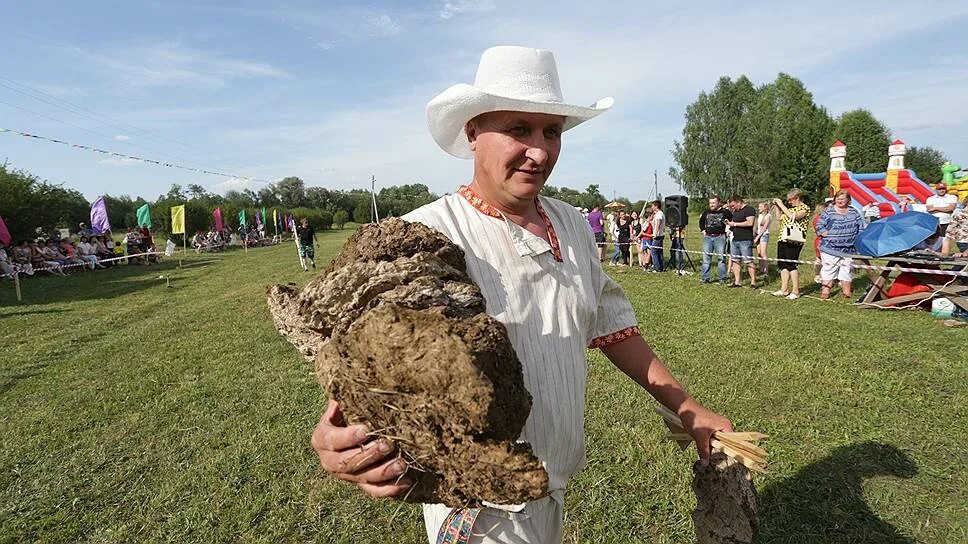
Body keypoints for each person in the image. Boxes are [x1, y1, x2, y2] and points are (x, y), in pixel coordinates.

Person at [309, 45, 731, 544]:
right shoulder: (424, 236)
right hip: (478, 510)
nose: (540, 150)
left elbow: (609, 325)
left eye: (551, 131)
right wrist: (335, 439)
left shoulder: (571, 224)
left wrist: (685, 406)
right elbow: (371, 365)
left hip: (552, 487)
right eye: (518, 129)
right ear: (472, 133)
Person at [815, 190, 865, 300]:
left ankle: (846, 292)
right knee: (829, 269)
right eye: (837, 198)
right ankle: (825, 292)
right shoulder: (829, 211)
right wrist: (822, 231)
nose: (839, 200)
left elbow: (861, 227)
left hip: (849, 249)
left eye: (842, 198)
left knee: (847, 270)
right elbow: (819, 224)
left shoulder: (854, 212)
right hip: (830, 247)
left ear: (848, 200)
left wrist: (859, 238)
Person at [771, 189, 811, 300]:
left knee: (791, 265)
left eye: (790, 200)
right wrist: (777, 206)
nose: (789, 202)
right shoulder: (789, 209)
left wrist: (781, 204)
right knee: (783, 264)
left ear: (797, 197)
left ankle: (796, 290)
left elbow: (794, 217)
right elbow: (780, 217)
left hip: (794, 240)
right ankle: (784, 289)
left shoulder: (804, 208)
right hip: (783, 239)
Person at [725, 195, 757, 288]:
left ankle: (753, 282)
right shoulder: (735, 212)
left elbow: (750, 223)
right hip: (735, 240)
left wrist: (734, 223)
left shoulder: (749, 209)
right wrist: (729, 225)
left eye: (733, 205)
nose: (732, 208)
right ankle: (737, 281)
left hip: (745, 240)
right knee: (735, 261)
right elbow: (734, 224)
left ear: (738, 202)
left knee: (748, 261)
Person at [697, 196, 730, 284]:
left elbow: (732, 220)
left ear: (718, 203)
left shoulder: (725, 212)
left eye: (713, 203)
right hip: (707, 238)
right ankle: (705, 278)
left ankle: (722, 279)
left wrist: (729, 231)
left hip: (720, 237)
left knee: (721, 259)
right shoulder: (706, 212)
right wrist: (703, 230)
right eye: (710, 203)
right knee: (706, 259)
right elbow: (701, 222)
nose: (711, 205)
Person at [754, 201, 771, 276]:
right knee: (759, 253)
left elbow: (764, 228)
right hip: (758, 234)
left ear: (765, 208)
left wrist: (758, 237)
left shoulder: (768, 216)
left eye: (760, 207)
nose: (758, 208)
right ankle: (761, 269)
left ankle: (766, 270)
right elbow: (758, 226)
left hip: (764, 235)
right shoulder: (760, 215)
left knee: (763, 253)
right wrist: (755, 234)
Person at [649, 200, 665, 272]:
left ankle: (657, 267)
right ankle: (661, 267)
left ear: (656, 206)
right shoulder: (659, 214)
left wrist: (654, 234)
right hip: (660, 234)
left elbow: (658, 225)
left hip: (658, 235)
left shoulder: (659, 214)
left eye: (652, 206)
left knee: (653, 251)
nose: (652, 207)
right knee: (659, 252)